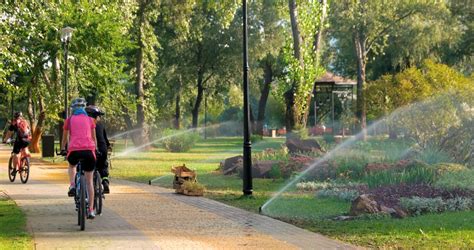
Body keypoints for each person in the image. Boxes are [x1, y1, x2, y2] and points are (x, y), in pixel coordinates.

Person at [61, 98, 98, 219]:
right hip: (89, 151)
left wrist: (62, 149)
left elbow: (65, 138)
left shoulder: (69, 120)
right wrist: (95, 149)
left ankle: (72, 185)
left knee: (72, 165)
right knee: (89, 182)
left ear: (73, 109)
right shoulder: (91, 120)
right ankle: (91, 210)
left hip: (74, 151)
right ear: (84, 108)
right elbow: (94, 138)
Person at [85, 105, 111, 193]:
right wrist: (108, 146)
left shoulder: (86, 125)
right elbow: (105, 139)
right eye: (98, 116)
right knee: (103, 165)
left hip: (91, 149)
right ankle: (105, 181)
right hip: (102, 149)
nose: (99, 118)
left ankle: (90, 186)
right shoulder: (100, 125)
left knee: (90, 167)